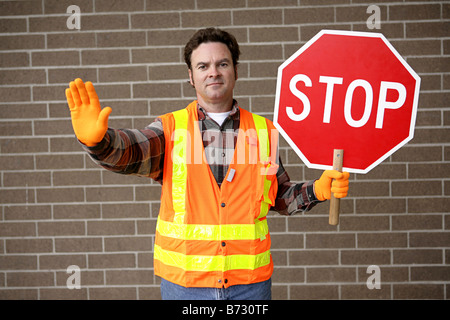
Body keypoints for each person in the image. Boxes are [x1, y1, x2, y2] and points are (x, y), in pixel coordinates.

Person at [65, 27, 349, 300]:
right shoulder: (170, 130)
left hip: (249, 286)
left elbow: (278, 195)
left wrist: (317, 190)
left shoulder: (264, 132)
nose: (213, 71)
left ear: (236, 70)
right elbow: (130, 151)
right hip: (186, 286)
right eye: (203, 66)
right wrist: (99, 143)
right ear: (191, 76)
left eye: (222, 63)